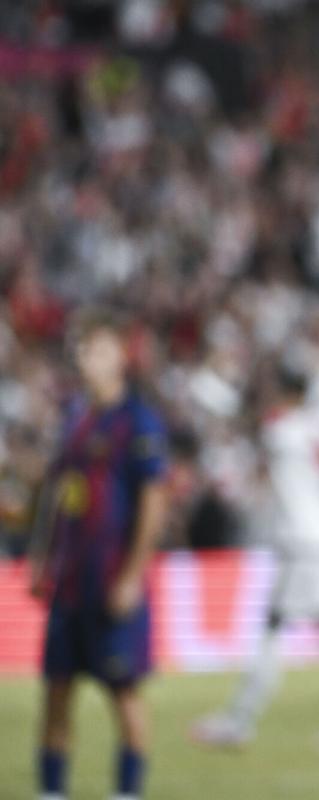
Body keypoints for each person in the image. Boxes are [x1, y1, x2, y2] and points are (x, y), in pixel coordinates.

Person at [191, 365, 319, 751]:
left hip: (303, 543)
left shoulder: (283, 430)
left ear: (286, 392)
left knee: (275, 627)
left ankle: (239, 721)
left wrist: (215, 396)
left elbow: (253, 427)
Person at [28, 309, 169, 800]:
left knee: (123, 692)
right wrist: (41, 556)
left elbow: (154, 501)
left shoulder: (138, 421)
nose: (86, 358)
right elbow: (57, 491)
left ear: (120, 358)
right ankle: (52, 793)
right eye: (83, 349)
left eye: (98, 349)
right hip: (69, 582)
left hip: (111, 579)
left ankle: (127, 793)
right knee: (56, 691)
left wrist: (132, 575)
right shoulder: (75, 418)